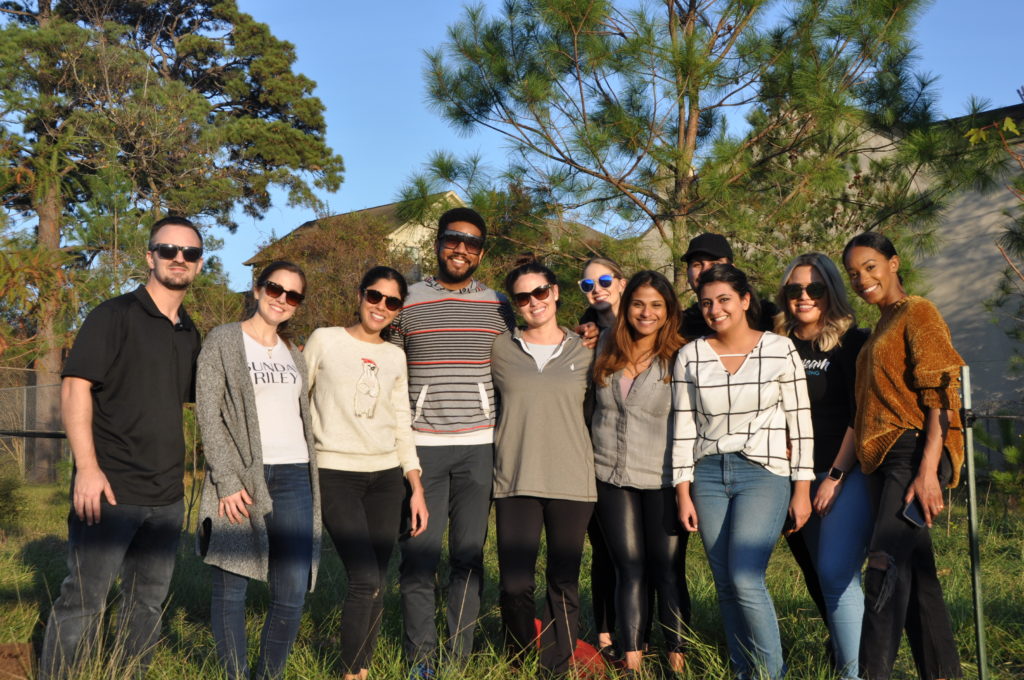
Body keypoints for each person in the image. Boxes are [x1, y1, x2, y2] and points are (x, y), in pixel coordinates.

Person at [39, 216, 204, 679]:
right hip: (109, 489)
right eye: (168, 250)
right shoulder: (114, 315)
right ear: (149, 256)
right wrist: (87, 468)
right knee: (84, 601)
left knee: (147, 604)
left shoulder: (188, 332)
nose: (178, 259)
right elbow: (75, 388)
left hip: (167, 495)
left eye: (189, 253)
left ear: (199, 264)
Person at [679, 232, 829, 635]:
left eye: (725, 299)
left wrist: (802, 489)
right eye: (707, 302)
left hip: (763, 472)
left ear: (745, 300)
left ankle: (769, 670)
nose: (715, 309)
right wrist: (682, 490)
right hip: (708, 475)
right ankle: (743, 668)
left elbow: (800, 423)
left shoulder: (780, 349)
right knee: (726, 583)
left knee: (746, 577)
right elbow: (683, 426)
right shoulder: (690, 354)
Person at [390, 207, 515, 677]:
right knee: (419, 557)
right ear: (438, 243)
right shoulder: (408, 300)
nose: (461, 249)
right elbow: (390, 364)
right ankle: (420, 662)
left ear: (482, 253)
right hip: (422, 450)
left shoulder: (500, 306)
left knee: (468, 555)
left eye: (472, 243)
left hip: (480, 447)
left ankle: (457, 657)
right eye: (453, 239)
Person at [843, 232, 964, 680]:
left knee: (883, 566)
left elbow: (941, 395)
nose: (862, 279)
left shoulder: (919, 312)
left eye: (870, 267)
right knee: (918, 581)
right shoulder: (879, 327)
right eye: (854, 273)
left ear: (893, 263)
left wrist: (929, 470)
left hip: (914, 451)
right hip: (884, 460)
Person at [196, 261, 320, 680]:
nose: (282, 298)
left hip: (296, 477)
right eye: (274, 288)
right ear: (256, 288)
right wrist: (227, 479)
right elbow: (208, 414)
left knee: (291, 592)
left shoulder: (294, 353)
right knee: (232, 587)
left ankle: (268, 675)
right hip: (241, 479)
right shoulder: (224, 340)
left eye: (293, 294)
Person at [305, 266, 429, 680]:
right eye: (375, 296)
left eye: (392, 302)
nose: (381, 307)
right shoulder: (325, 340)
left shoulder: (395, 355)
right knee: (363, 576)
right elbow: (297, 401)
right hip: (335, 471)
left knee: (377, 580)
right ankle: (350, 672)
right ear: (360, 295)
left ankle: (363, 667)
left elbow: (400, 420)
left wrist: (415, 485)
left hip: (386, 478)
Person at [490, 257, 595, 676]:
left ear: (554, 292)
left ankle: (555, 666)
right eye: (523, 296)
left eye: (540, 292)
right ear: (515, 304)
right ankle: (518, 658)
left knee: (563, 582)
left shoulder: (585, 349)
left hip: (573, 482)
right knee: (515, 585)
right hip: (514, 480)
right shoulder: (500, 348)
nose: (534, 301)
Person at [774, 253, 870, 680]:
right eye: (795, 290)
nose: (804, 297)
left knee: (837, 573)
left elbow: (858, 414)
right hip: (787, 478)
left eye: (815, 289)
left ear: (831, 291)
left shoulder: (852, 343)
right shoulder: (773, 343)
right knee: (814, 570)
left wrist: (835, 475)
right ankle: (844, 647)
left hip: (836, 474)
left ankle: (859, 666)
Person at [590, 270, 688, 674]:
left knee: (666, 571)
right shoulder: (604, 348)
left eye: (655, 305)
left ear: (668, 312)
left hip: (663, 478)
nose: (645, 313)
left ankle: (677, 660)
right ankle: (632, 662)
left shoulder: (682, 356)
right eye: (638, 303)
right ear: (626, 306)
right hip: (610, 475)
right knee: (628, 567)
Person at [572, 256, 627, 657]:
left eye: (605, 280)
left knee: (641, 554)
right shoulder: (583, 336)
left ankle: (648, 634)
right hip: (592, 455)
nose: (597, 288)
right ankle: (607, 635)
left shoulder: (647, 326)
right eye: (588, 284)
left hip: (645, 458)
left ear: (622, 283)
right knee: (604, 549)